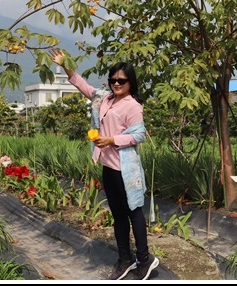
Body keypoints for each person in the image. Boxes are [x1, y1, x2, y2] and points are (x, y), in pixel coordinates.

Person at [49, 48, 159, 281]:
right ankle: (125, 259)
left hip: (125, 169)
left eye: (121, 80)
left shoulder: (132, 106)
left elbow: (138, 135)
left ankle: (144, 258)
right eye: (112, 80)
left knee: (134, 212)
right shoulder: (104, 99)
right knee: (118, 216)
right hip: (108, 167)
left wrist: (112, 140)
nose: (116, 83)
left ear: (130, 82)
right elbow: (82, 85)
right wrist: (65, 64)